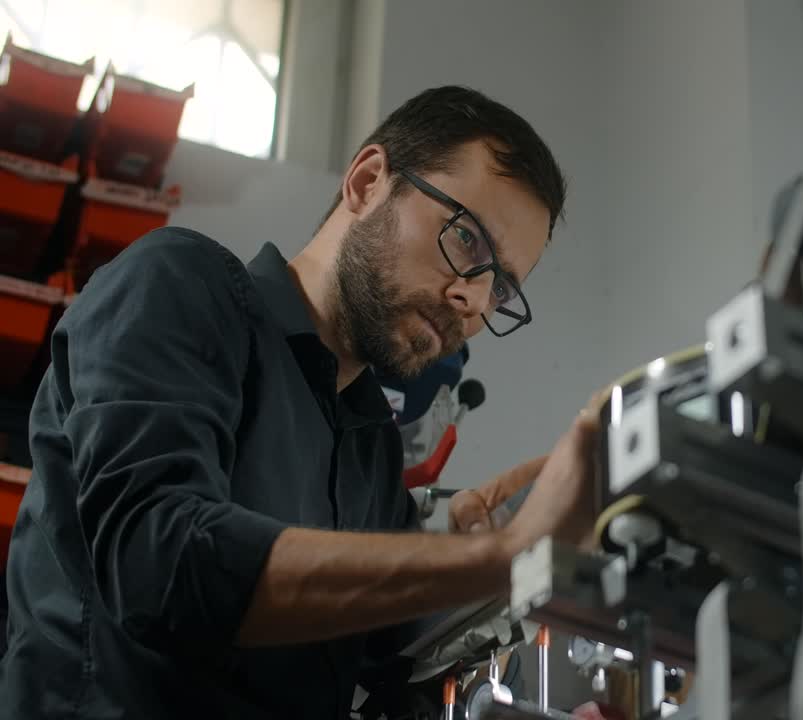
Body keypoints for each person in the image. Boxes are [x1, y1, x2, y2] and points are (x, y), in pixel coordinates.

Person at [0, 85, 598, 719]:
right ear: (367, 183)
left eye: (501, 287)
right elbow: (161, 561)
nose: (474, 301)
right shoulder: (177, 286)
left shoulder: (370, 443)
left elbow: (387, 668)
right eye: (469, 241)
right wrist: (493, 558)